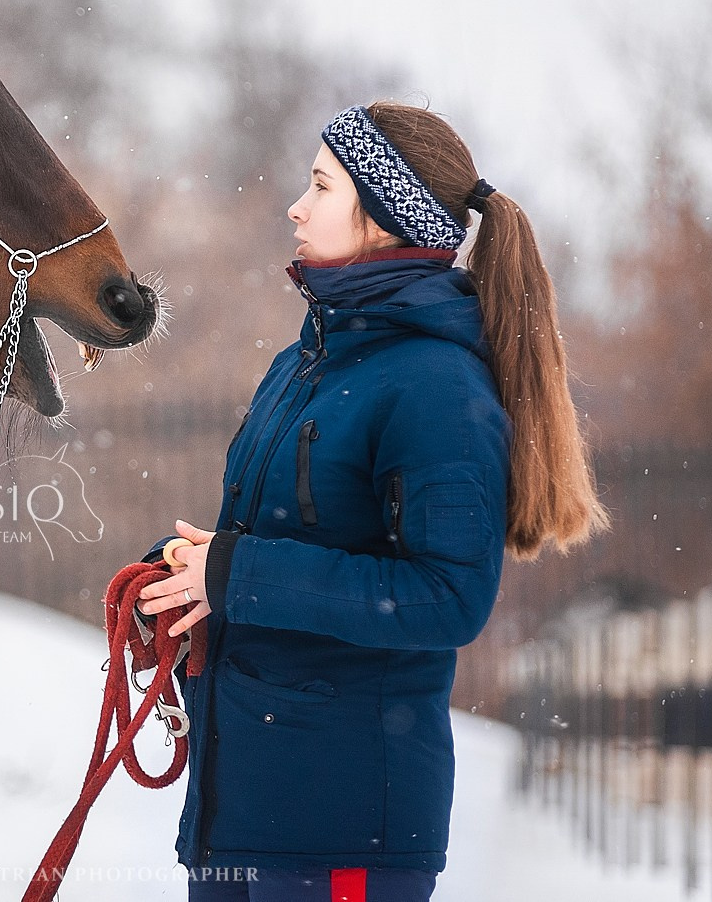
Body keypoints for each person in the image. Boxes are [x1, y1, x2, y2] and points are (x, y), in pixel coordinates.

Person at [133, 101, 607, 902]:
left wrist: (239, 574)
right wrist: (190, 578)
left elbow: (448, 596)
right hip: (242, 817)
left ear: (386, 215)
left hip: (343, 831)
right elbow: (272, 545)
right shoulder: (303, 361)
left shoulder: (436, 386)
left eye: (321, 185)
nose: (297, 207)